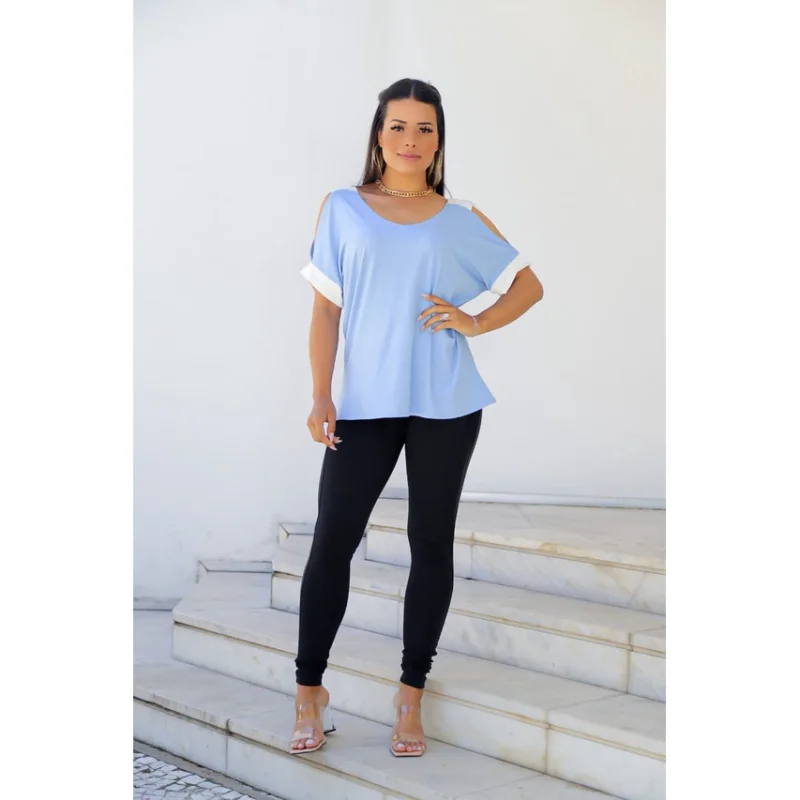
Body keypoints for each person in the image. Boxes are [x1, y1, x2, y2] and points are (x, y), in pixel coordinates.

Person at [289, 78, 544, 758]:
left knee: (430, 544)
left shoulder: (460, 217)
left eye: (424, 128)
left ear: (438, 140)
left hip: (446, 402)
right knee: (333, 541)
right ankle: (309, 691)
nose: (410, 138)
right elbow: (326, 310)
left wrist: (474, 321)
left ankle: (410, 697)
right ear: (379, 134)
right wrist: (321, 394)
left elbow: (528, 285)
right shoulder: (344, 208)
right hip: (365, 405)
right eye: (398, 125)